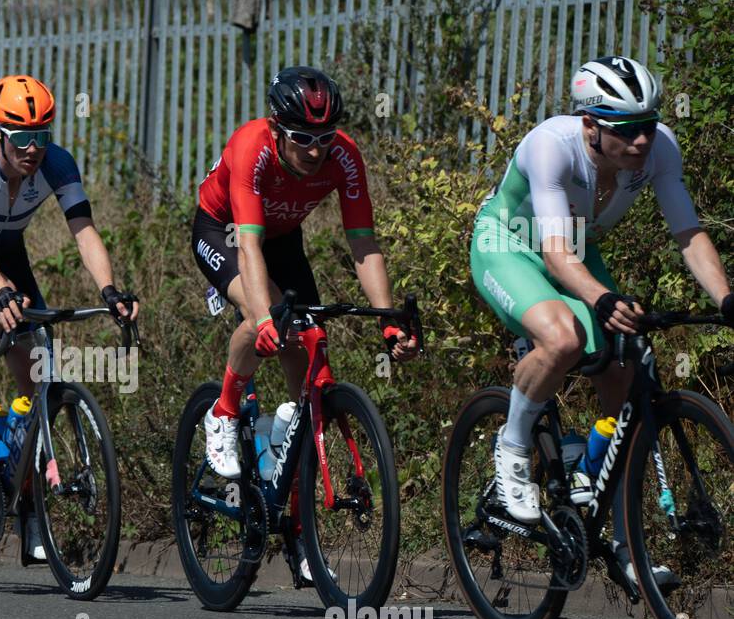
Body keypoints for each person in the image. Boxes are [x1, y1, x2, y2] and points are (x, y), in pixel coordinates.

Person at [470, 55, 733, 588]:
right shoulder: (552, 144)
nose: (641, 142)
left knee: (622, 378)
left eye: (649, 126)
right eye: (627, 130)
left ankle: (620, 539)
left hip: (574, 247)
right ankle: (513, 450)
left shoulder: (659, 150)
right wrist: (605, 299)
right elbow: (554, 255)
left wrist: (728, 299)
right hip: (510, 244)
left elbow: (688, 233)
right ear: (589, 125)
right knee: (563, 337)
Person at [0, 74, 137, 558]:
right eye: (22, 138)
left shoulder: (58, 164)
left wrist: (109, 288)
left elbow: (84, 231)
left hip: (9, 253)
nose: (33, 149)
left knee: (38, 376)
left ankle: (27, 504)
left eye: (42, 136)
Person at [194, 66, 419, 478]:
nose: (316, 151)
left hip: (282, 238)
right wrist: (264, 318)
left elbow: (364, 246)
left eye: (325, 138)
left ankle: (279, 444)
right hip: (225, 231)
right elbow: (248, 245)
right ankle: (223, 411)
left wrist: (388, 320)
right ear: (277, 129)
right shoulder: (251, 147)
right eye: (302, 138)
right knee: (270, 318)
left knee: (307, 344)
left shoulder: (345, 156)